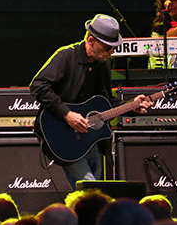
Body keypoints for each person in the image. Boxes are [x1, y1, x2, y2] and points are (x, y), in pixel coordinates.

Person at [30, 14, 151, 189]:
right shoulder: (66, 56)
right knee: (91, 189)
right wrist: (67, 114)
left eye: (113, 48)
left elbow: (105, 102)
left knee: (92, 190)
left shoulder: (103, 64)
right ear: (91, 40)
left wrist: (132, 106)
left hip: (88, 137)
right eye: (107, 48)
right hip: (61, 133)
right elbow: (38, 85)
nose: (111, 53)